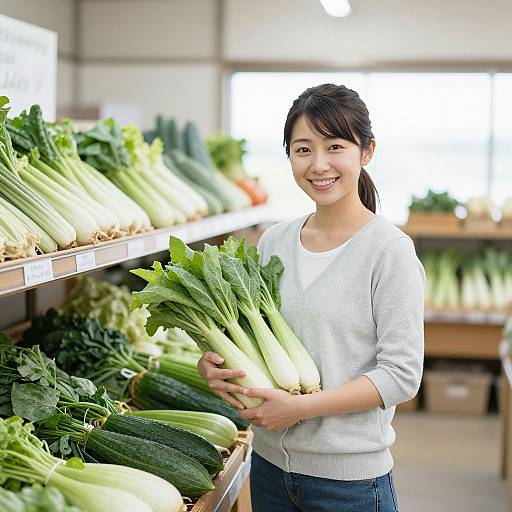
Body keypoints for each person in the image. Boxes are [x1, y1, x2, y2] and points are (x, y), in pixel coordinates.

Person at [197, 83, 425, 511]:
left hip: (348, 483)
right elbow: (251, 339)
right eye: (303, 150)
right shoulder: (274, 241)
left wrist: (300, 408)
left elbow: (402, 375)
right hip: (268, 468)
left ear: (367, 150)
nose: (318, 165)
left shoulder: (389, 251)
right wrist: (210, 367)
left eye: (334, 146)